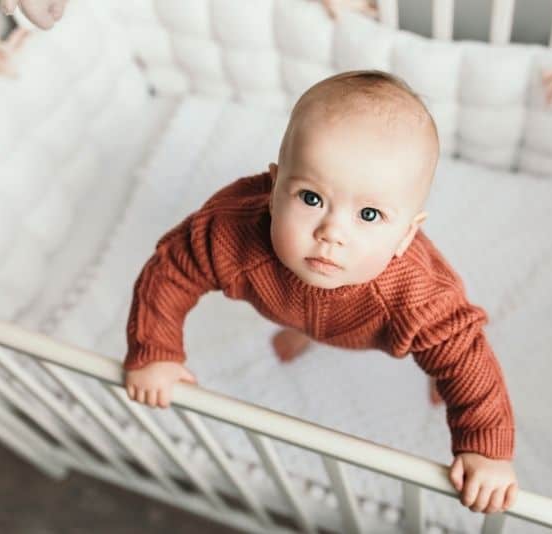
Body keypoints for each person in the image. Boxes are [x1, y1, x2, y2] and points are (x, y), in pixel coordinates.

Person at [122, 69, 519, 514]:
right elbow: (171, 272)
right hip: (289, 304)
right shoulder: (230, 234)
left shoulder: (420, 298)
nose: (332, 233)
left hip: (376, 325)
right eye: (311, 198)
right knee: (302, 312)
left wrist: (485, 447)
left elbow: (467, 359)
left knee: (445, 363)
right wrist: (155, 349)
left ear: (407, 236)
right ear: (273, 192)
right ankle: (305, 330)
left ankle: (422, 369)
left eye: (369, 215)